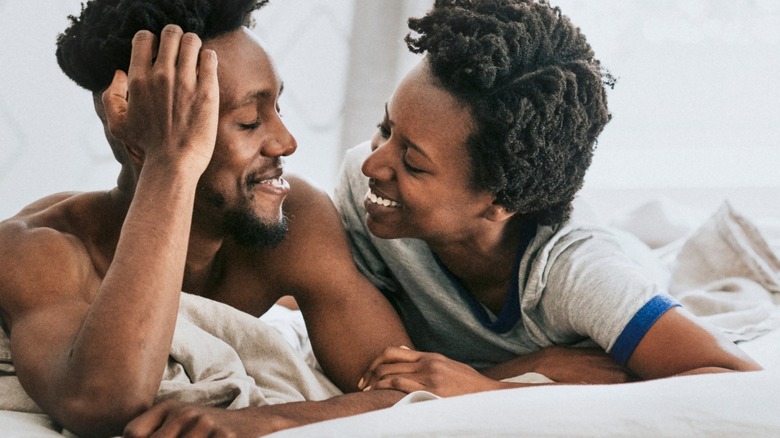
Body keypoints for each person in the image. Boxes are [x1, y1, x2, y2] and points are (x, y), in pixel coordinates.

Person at [0, 0, 420, 436]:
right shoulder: (37, 249)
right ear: (139, 138)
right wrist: (169, 163)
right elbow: (101, 401)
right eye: (248, 122)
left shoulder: (297, 218)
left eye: (278, 108)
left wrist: (264, 420)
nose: (286, 142)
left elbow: (409, 388)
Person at [334, 0, 763, 397]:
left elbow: (738, 381)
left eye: (412, 162)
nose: (373, 164)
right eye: (386, 128)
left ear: (500, 201)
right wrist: (534, 365)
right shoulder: (363, 188)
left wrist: (493, 392)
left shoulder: (581, 277)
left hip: (622, 256)